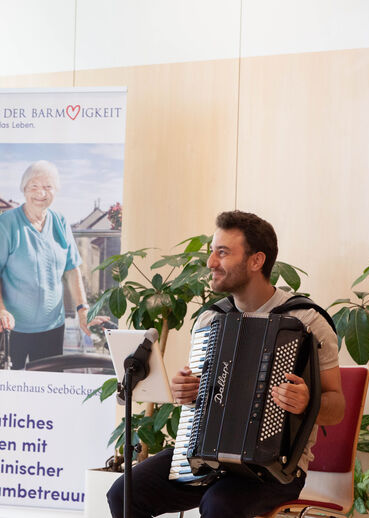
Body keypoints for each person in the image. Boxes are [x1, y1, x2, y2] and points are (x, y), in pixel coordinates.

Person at [106, 210, 345, 518]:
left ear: (256, 261)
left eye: (222, 253)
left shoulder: (307, 320)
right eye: (212, 252)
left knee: (219, 504)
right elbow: (204, 402)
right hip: (204, 460)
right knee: (124, 493)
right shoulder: (209, 320)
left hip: (274, 470)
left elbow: (336, 407)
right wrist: (187, 393)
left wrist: (308, 403)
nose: (210, 263)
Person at [0, 160, 106, 369]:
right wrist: (0, 310)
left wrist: (83, 309)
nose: (41, 193)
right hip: (10, 328)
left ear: (55, 191)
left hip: (51, 327)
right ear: (24, 190)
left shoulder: (60, 222)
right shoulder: (7, 223)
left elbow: (72, 269)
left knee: (49, 388)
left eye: (48, 187)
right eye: (34, 187)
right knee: (8, 392)